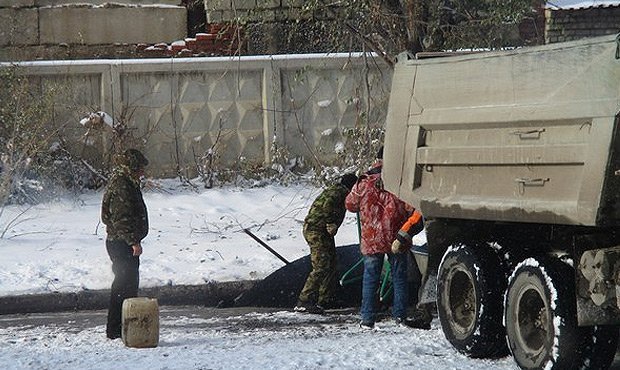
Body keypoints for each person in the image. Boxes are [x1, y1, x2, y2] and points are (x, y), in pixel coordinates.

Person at [345, 147, 416, 329]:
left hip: (372, 238)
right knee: (399, 277)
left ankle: (367, 318)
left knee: (370, 278)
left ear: (376, 159)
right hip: (397, 238)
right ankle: (400, 316)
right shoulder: (399, 183)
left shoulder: (363, 182)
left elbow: (350, 204)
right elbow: (411, 207)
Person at [101, 149, 149, 339]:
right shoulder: (122, 185)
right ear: (132, 167)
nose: (143, 173)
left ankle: (124, 325)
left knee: (127, 285)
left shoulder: (125, 181)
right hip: (122, 243)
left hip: (121, 242)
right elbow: (122, 218)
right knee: (123, 286)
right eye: (140, 169)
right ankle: (116, 329)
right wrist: (133, 241)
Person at [295, 173, 358, 314]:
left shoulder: (336, 190)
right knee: (321, 266)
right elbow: (327, 205)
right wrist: (330, 223)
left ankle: (326, 299)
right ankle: (304, 300)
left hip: (321, 231)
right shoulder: (340, 192)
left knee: (331, 264)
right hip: (316, 231)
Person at [391, 210, 433, 329]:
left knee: (431, 276)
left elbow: (418, 216)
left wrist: (401, 237)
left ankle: (424, 316)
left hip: (440, 238)